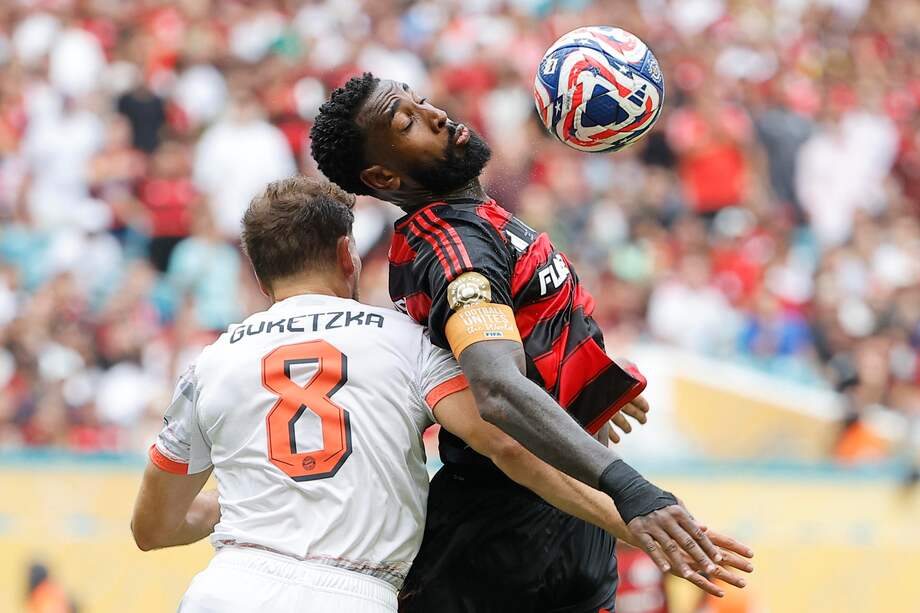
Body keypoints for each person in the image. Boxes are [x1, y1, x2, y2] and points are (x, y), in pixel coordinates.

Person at [130, 177, 752, 612]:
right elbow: (506, 442)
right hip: (352, 593)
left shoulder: (208, 365)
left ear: (258, 272)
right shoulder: (403, 340)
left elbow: (151, 528)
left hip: (226, 591)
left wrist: (253, 498)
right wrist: (628, 519)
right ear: (349, 255)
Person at [310, 73, 746, 612]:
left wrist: (588, 370)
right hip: (500, 547)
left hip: (563, 531)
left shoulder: (476, 222)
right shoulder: (455, 248)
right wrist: (631, 492)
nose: (436, 114)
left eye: (421, 100)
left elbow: (519, 332)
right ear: (383, 174)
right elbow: (497, 389)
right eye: (407, 122)